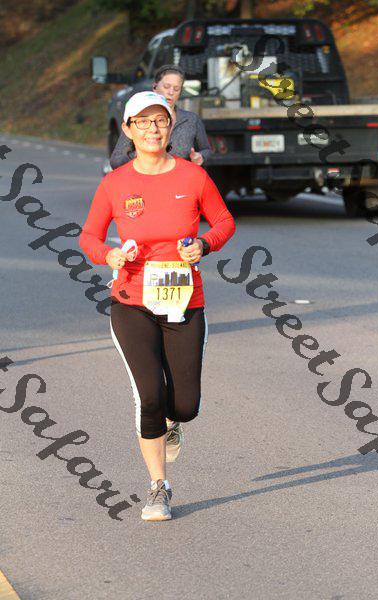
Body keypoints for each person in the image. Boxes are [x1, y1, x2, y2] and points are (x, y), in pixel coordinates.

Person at [79, 91, 236, 522]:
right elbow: (89, 236)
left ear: (171, 127)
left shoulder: (193, 177)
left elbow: (224, 221)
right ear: (128, 130)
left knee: (184, 405)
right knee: (150, 395)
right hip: (131, 301)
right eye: (143, 122)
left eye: (160, 121)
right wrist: (108, 255)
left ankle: (172, 422)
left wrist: (204, 244)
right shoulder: (115, 183)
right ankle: (158, 488)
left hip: (184, 301)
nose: (152, 129)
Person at [110, 64, 212, 170]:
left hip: (181, 178)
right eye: (166, 87)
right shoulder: (138, 121)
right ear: (155, 87)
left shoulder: (192, 119)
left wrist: (201, 157)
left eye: (176, 89)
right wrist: (142, 155)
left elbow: (207, 150)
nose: (171, 92)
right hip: (145, 178)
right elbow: (116, 161)